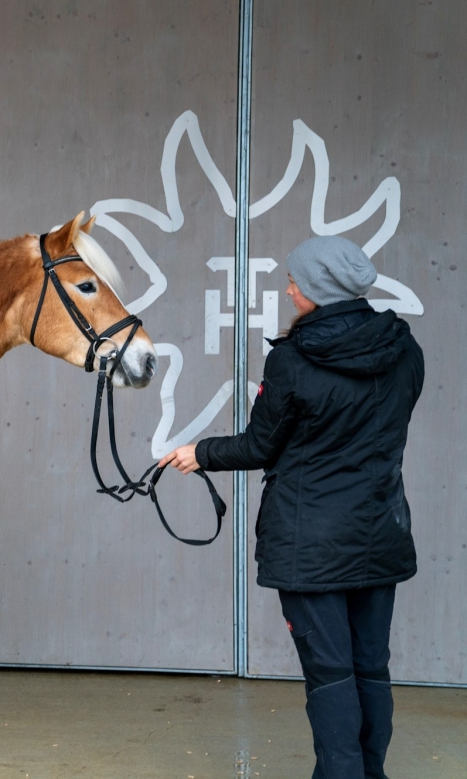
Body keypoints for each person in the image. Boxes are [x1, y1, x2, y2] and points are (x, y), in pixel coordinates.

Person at [159, 235, 423, 779]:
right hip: (381, 532)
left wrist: (199, 453)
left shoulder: (293, 360)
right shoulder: (404, 348)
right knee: (370, 668)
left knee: (331, 676)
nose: (288, 289)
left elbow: (260, 446)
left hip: (312, 547)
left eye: (294, 280)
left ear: (318, 288)